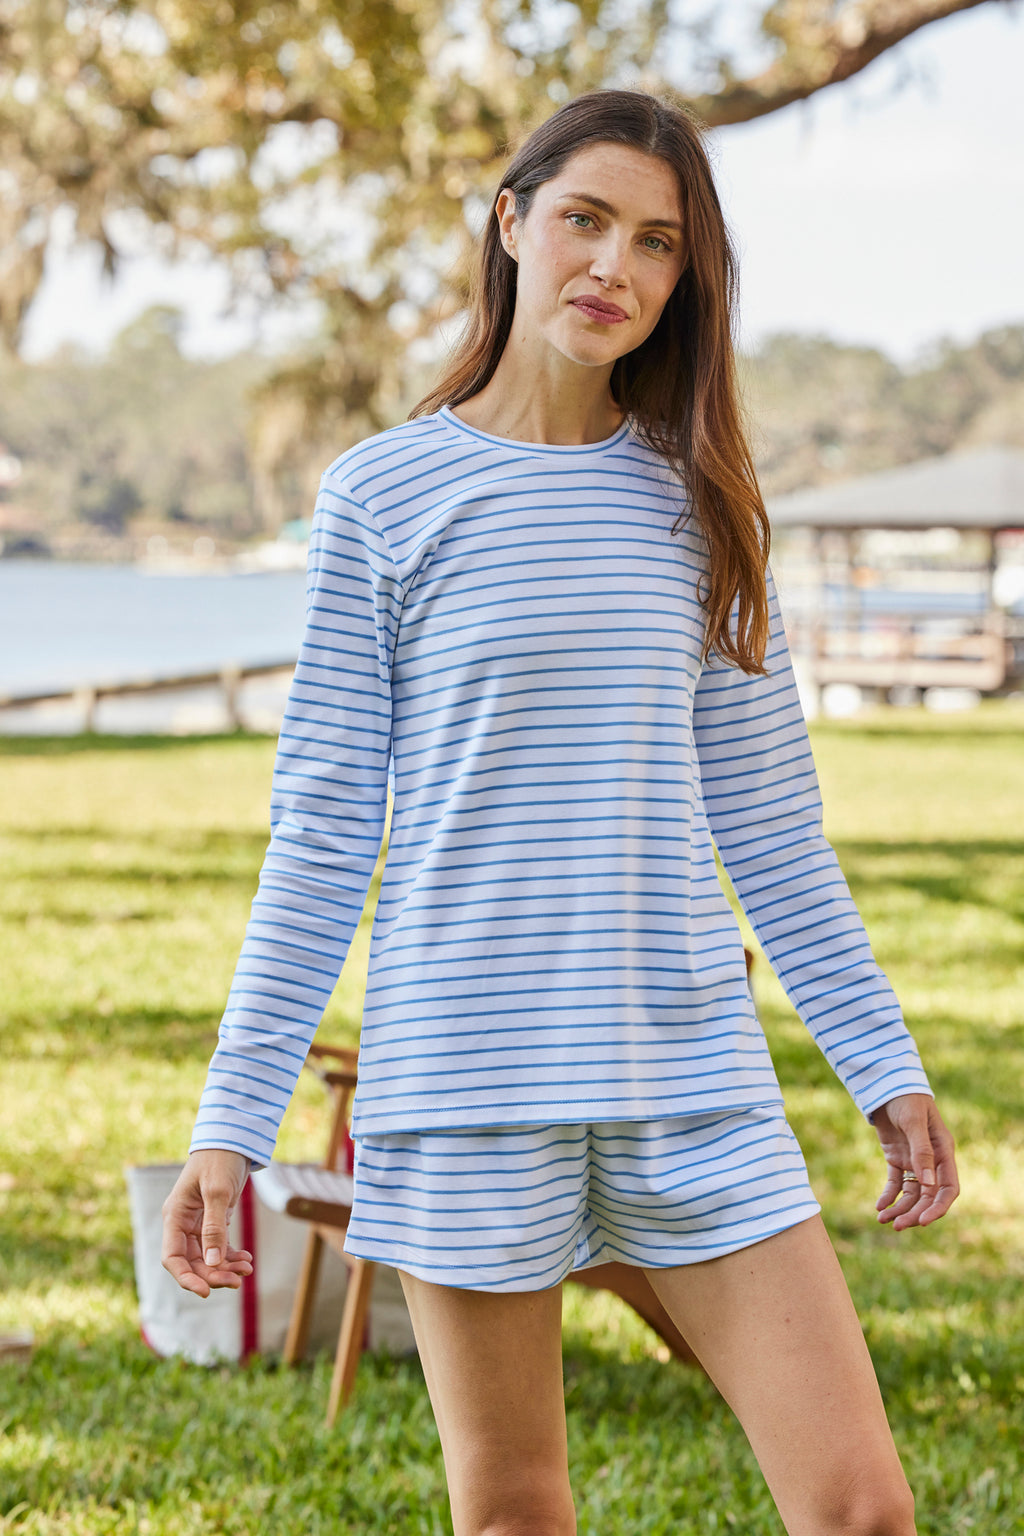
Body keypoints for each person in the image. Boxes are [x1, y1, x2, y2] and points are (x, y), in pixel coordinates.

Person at [162, 88, 959, 1535]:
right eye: (586, 220)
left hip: (693, 1078)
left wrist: (881, 1061)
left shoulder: (703, 506)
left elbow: (773, 827)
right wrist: (234, 1118)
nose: (616, 268)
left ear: (683, 282)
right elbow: (326, 830)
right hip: (464, 1084)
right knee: (517, 1512)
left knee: (862, 1508)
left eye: (658, 244)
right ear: (513, 224)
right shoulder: (382, 498)